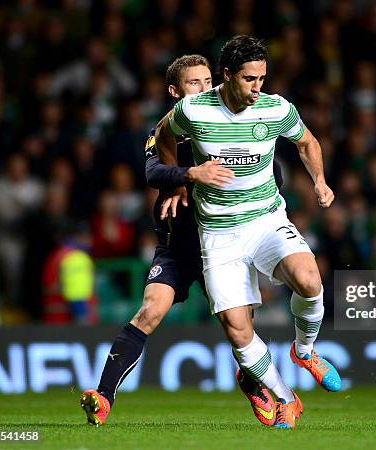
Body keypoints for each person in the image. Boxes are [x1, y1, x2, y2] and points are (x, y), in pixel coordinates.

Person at [81, 54, 283, 427]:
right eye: (195, 83)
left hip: (222, 245)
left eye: (209, 81)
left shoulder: (231, 124)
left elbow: (272, 175)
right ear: (175, 91)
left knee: (242, 330)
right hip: (177, 247)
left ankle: (252, 384)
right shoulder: (164, 131)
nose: (205, 89)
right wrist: (187, 175)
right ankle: (103, 396)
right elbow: (154, 170)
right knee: (150, 309)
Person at [154, 35, 341, 429]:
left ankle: (304, 352)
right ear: (226, 76)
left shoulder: (275, 108)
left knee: (309, 280)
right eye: (250, 79)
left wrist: (320, 181)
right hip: (220, 234)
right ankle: (285, 398)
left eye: (262, 78)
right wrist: (175, 182)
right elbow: (163, 135)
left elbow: (307, 142)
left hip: (266, 220)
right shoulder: (194, 110)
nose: (259, 87)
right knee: (238, 330)